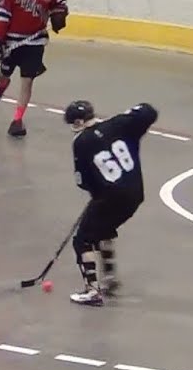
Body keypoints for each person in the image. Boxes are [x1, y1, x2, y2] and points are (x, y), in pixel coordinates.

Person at [64, 99, 158, 306]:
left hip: (110, 197)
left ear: (78, 122)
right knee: (103, 229)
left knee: (83, 240)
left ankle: (92, 291)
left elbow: (83, 181)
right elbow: (148, 111)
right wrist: (127, 114)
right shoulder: (118, 124)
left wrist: (96, 192)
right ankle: (109, 279)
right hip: (135, 195)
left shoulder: (81, 142)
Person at [0, 0, 68, 137]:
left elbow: (60, 3)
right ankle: (2, 85)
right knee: (4, 74)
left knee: (27, 82)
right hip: (12, 42)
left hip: (35, 42)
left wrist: (59, 14)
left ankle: (17, 120)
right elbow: (1, 16)